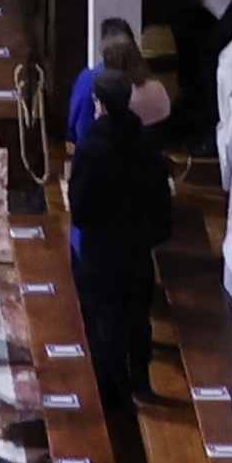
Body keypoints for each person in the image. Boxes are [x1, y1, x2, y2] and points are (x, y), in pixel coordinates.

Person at [61, 65, 169, 419]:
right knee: (138, 313)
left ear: (99, 103)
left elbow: (79, 205)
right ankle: (141, 379)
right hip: (138, 246)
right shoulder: (146, 142)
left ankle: (115, 393)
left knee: (107, 317)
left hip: (102, 248)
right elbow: (160, 196)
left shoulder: (92, 149)